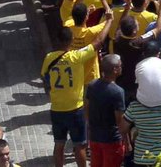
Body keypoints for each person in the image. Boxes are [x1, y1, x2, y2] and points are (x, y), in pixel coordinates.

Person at [42, 9, 113, 167]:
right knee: (79, 145)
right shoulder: (77, 57)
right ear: (71, 40)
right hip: (75, 108)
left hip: (56, 108)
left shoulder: (48, 58)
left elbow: (45, 78)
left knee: (58, 144)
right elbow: (98, 42)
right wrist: (108, 21)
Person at [86, 54, 126, 167]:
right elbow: (119, 120)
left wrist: (90, 128)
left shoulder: (92, 85)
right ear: (114, 69)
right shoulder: (118, 92)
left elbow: (87, 108)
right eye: (120, 66)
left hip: (94, 137)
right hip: (111, 139)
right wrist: (126, 141)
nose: (122, 67)